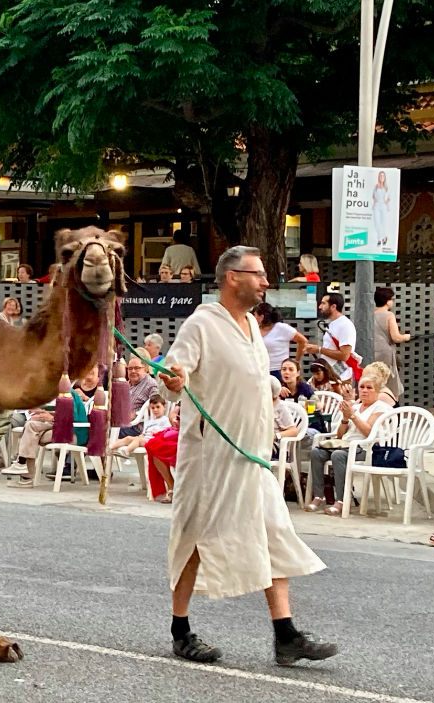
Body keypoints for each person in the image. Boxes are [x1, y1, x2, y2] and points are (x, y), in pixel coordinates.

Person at [157, 245, 333, 666]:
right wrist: (175, 381)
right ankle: (180, 630)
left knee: (274, 536)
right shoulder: (201, 324)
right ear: (232, 277)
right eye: (258, 274)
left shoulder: (254, 327)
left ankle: (285, 634)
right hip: (211, 459)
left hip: (252, 458)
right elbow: (171, 380)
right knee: (195, 539)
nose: (265, 281)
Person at [306, 375, 391, 516]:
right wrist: (345, 419)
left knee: (338, 455)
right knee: (316, 453)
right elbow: (339, 435)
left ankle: (341, 500)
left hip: (366, 447)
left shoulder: (381, 408)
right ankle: (319, 496)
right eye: (362, 387)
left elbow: (368, 432)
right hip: (345, 444)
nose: (364, 391)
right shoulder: (355, 406)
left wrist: (352, 416)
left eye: (369, 388)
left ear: (377, 391)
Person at [4, 393, 88, 488]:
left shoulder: (68, 394)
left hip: (72, 433)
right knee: (31, 426)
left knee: (31, 432)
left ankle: (24, 473)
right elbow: (59, 414)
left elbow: (73, 419)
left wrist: (51, 418)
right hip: (58, 429)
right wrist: (42, 414)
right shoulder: (55, 392)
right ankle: (22, 467)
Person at [305, 293, 357, 384]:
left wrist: (319, 349)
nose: (320, 307)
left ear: (333, 306)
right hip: (330, 376)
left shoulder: (345, 325)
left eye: (323, 303)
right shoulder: (334, 323)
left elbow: (344, 355)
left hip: (341, 377)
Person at [373, 287, 409, 399]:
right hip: (386, 353)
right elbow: (396, 337)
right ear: (387, 300)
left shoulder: (370, 315)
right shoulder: (389, 315)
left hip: (372, 351)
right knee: (390, 382)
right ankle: (392, 406)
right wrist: (406, 337)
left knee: (374, 380)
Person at [254, 302, 307, 378]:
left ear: (261, 317)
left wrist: (296, 360)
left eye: (255, 315)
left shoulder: (281, 328)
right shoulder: (254, 328)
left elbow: (302, 340)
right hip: (260, 370)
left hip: (278, 370)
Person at [117, 349, 159, 438]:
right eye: (130, 368)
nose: (132, 371)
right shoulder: (127, 384)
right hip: (122, 424)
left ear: (146, 368)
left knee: (107, 431)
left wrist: (136, 414)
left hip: (137, 428)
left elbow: (157, 403)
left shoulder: (151, 384)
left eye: (137, 368)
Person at [271, 377, 299, 460]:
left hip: (275, 446)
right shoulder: (259, 405)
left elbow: (293, 431)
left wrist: (275, 436)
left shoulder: (280, 406)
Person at [371, 170, 390, 246]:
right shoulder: (375, 187)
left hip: (383, 206)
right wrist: (374, 199)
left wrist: (386, 201)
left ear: (384, 177)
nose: (381, 177)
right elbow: (373, 195)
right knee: (376, 223)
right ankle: (384, 237)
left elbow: (389, 197)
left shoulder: (386, 187)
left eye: (383, 176)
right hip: (377, 205)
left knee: (382, 223)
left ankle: (379, 239)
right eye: (380, 175)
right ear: (378, 177)